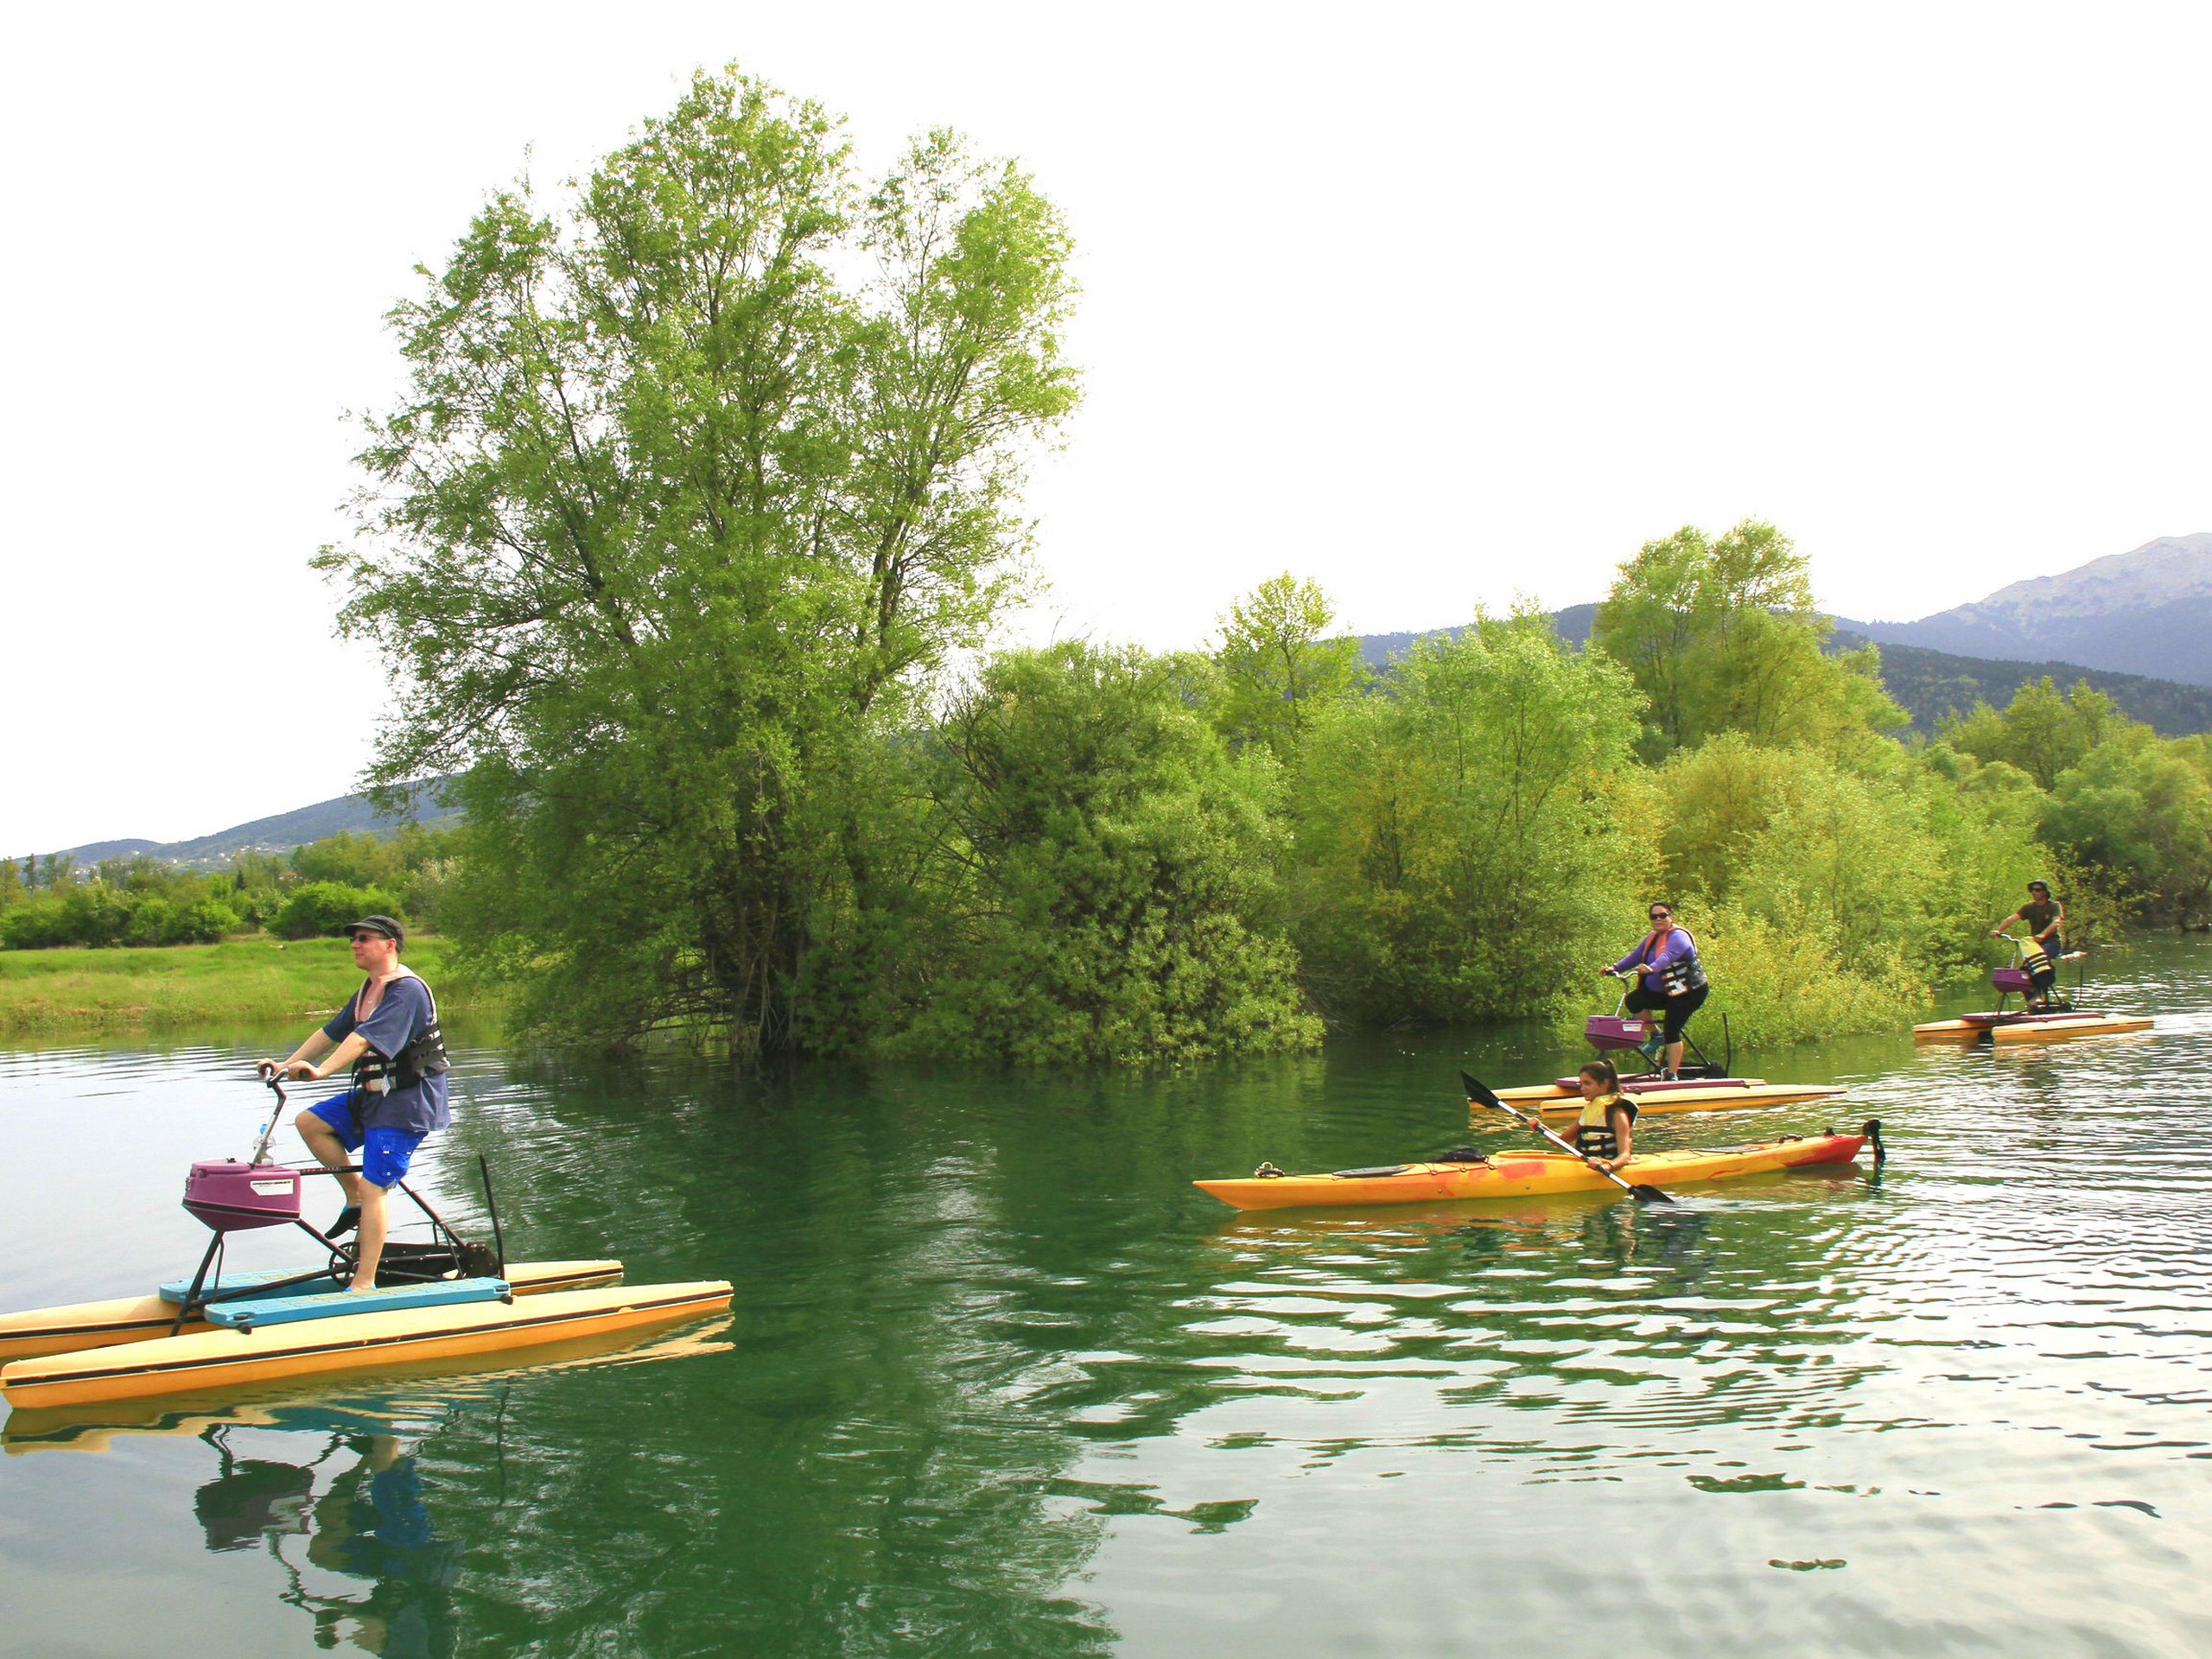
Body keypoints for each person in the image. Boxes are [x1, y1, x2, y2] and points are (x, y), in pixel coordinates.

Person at [261, 915, 448, 1292]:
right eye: (353, 939)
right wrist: (285, 1064)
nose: (355, 945)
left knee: (375, 1186)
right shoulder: (369, 989)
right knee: (310, 1123)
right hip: (375, 1095)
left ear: (390, 944)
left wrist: (322, 1071)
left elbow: (363, 1039)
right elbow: (332, 1031)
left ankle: (363, 1283)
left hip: (408, 1103)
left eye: (364, 939)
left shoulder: (406, 990)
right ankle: (354, 1197)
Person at [1607, 900, 1708, 1078]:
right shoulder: (1651, 937)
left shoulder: (1679, 937)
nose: (1658, 919)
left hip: (1687, 993)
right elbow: (1635, 956)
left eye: (1663, 915)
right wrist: (1615, 968)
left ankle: (1672, 1075)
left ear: (1671, 917)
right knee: (1634, 1000)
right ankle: (1656, 1034)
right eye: (1654, 917)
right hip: (1666, 993)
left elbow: (1668, 957)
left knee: (1672, 1030)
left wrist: (1652, 967)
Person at [1991, 880, 2067, 1009]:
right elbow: (2012, 918)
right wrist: (1999, 930)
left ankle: (2038, 995)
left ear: (2045, 892)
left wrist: (2043, 935)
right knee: (2024, 970)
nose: (2034, 893)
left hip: (2051, 944)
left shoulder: (2054, 906)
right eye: (2032, 890)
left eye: (2037, 890)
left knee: (2037, 961)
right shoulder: (2028, 907)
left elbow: (2056, 922)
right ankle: (2033, 999)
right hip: (2034, 945)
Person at [1558, 1059, 1637, 1173]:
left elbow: (1624, 1155)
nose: (1582, 1088)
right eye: (1581, 1084)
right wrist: (1539, 1126)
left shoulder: (1617, 1113)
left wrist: (1607, 1166)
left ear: (1605, 1083)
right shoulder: (1587, 1112)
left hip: (1608, 1166)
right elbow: (1562, 1140)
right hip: (1587, 1166)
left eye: (1587, 1083)